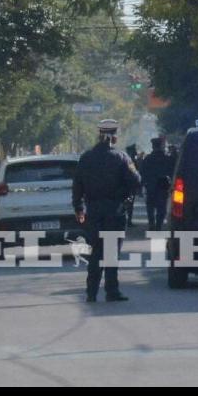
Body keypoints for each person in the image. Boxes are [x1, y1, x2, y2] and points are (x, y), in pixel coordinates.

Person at [72, 119, 141, 303]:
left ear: (99, 135)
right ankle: (111, 291)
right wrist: (125, 196)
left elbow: (77, 185)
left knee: (95, 252)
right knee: (111, 252)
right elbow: (136, 181)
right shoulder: (121, 157)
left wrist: (79, 208)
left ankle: (91, 292)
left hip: (93, 211)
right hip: (114, 211)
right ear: (114, 137)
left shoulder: (86, 157)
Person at [140, 137, 175, 230]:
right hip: (162, 186)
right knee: (161, 208)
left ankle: (152, 224)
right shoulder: (167, 159)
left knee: (150, 206)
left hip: (150, 186)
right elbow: (172, 172)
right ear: (161, 146)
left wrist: (143, 184)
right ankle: (158, 225)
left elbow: (142, 172)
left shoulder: (147, 159)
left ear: (153, 146)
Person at [125, 144, 139, 227]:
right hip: (129, 186)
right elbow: (135, 175)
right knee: (129, 204)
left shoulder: (123, 159)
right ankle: (128, 220)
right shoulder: (130, 162)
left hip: (123, 186)